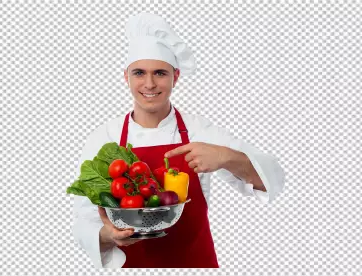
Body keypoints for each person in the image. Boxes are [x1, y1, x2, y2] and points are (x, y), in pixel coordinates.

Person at [71, 12, 285, 268]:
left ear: (176, 76)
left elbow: (270, 181)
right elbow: (84, 220)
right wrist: (108, 236)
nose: (149, 84)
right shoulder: (104, 138)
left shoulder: (199, 130)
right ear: (126, 76)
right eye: (139, 72)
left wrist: (227, 157)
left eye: (160, 73)